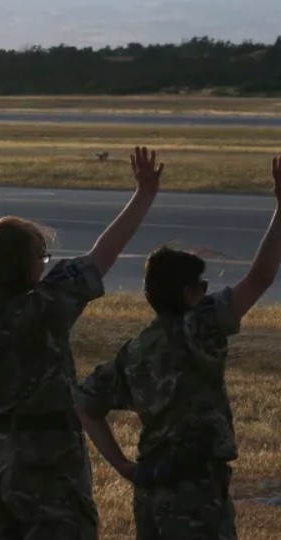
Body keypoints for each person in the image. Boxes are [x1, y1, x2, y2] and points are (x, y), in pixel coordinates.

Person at [0, 147, 164, 539]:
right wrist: (144, 196)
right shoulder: (47, 305)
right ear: (27, 263)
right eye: (41, 256)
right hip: (50, 467)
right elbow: (103, 255)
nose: (45, 262)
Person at [74, 156, 281, 540]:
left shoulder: (135, 351)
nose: (205, 292)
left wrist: (122, 465)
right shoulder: (201, 326)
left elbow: (86, 406)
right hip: (197, 493)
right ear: (188, 295)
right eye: (200, 287)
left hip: (151, 491)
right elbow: (261, 277)